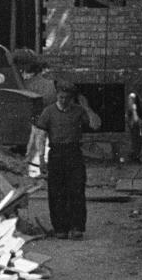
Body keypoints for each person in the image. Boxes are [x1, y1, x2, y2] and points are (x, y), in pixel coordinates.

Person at [30, 78, 101, 238]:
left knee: (76, 190)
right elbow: (40, 136)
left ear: (72, 98)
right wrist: (41, 159)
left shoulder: (78, 111)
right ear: (57, 95)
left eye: (67, 98)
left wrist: (86, 107)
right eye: (61, 97)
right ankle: (60, 228)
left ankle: (76, 227)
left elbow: (96, 125)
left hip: (74, 153)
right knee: (56, 192)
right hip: (56, 154)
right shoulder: (48, 112)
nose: (63, 101)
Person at [124, 88, 142, 163]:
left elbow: (138, 119)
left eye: (132, 99)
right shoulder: (129, 110)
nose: (130, 101)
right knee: (134, 142)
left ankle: (138, 156)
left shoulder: (137, 108)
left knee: (139, 142)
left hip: (137, 128)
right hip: (133, 128)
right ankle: (134, 156)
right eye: (130, 99)